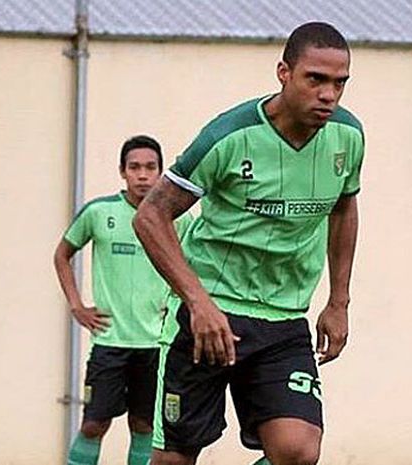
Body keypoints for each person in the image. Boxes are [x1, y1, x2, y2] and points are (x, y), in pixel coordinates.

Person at [133, 22, 365, 465]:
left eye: (339, 83)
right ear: (284, 72)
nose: (328, 95)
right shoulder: (228, 136)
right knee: (174, 460)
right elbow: (151, 216)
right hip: (210, 317)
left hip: (284, 319)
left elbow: (344, 209)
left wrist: (339, 301)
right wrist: (198, 302)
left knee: (298, 452)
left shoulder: (348, 137)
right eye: (315, 79)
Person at [54, 135, 193, 465]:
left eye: (150, 167)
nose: (142, 175)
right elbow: (62, 255)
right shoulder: (99, 213)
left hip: (155, 344)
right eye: (135, 167)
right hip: (110, 342)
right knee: (93, 424)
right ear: (122, 171)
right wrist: (76, 305)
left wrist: (177, 304)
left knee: (144, 426)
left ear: (161, 172)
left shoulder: (179, 219)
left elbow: (192, 270)